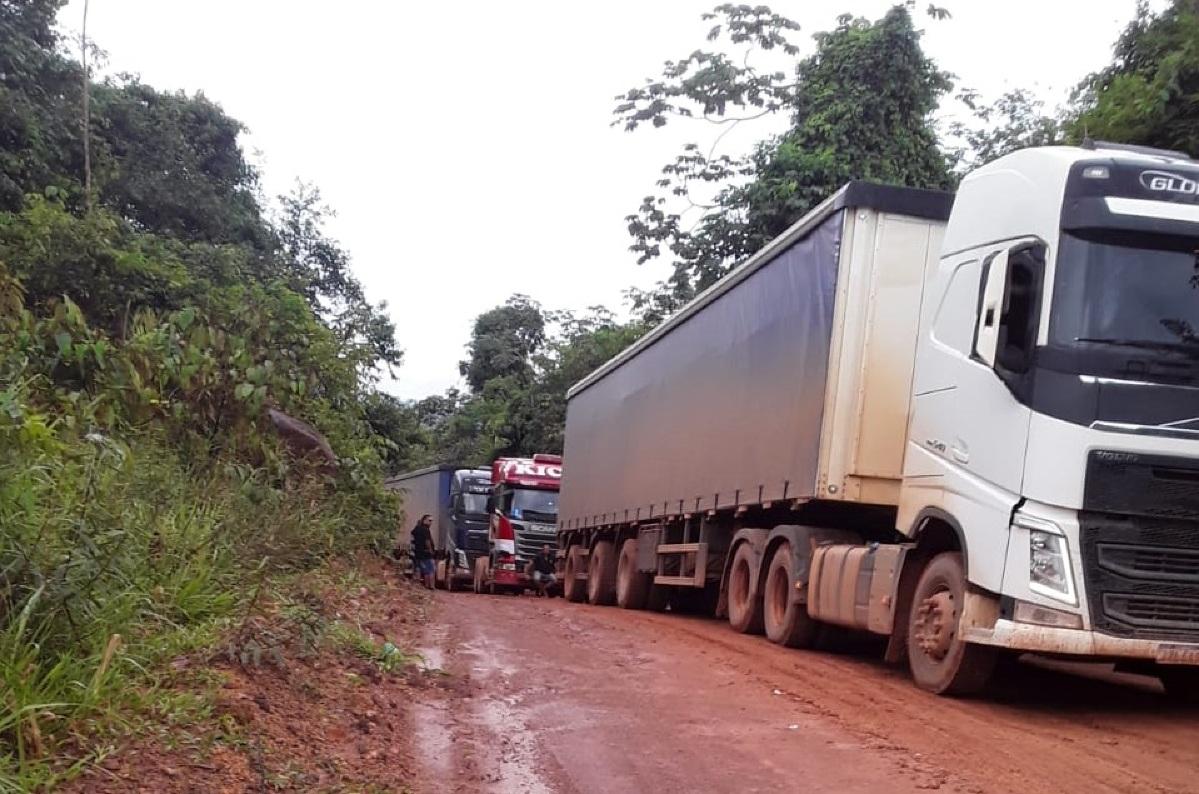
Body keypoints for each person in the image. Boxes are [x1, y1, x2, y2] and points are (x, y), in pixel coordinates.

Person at [411, 514, 436, 590]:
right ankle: (431, 586)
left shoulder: (417, 528)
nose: (431, 522)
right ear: (424, 520)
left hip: (417, 552)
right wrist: (430, 550)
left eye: (432, 521)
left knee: (421, 569)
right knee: (431, 570)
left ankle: (424, 586)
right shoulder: (426, 530)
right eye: (429, 520)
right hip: (426, 553)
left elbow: (412, 536)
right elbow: (427, 541)